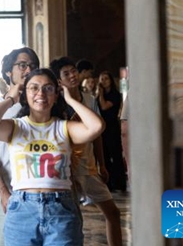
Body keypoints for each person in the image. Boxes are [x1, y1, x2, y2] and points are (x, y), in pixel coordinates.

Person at [0, 68, 104, 245]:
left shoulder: (64, 127)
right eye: (34, 88)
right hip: (22, 209)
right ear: (25, 95)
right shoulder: (16, 127)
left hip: (60, 209)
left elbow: (96, 126)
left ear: (56, 95)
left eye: (48, 88)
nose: (41, 93)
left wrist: (69, 99)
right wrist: (11, 98)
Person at [51, 57, 123, 246]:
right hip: (67, 168)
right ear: (59, 80)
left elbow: (97, 134)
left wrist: (102, 164)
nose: (72, 76)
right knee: (74, 220)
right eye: (66, 74)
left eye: (73, 71)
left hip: (88, 165)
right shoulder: (57, 104)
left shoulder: (89, 99)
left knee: (113, 212)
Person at [0, 47, 40, 246]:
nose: (28, 69)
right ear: (8, 72)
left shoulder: (42, 105)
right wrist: (3, 192)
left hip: (40, 195)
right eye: (22, 65)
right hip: (6, 195)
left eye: (32, 66)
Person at [97, 70, 127, 191]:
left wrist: (100, 94)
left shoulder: (114, 94)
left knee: (116, 156)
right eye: (101, 79)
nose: (103, 81)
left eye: (106, 79)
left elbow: (104, 106)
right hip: (102, 128)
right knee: (105, 156)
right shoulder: (99, 95)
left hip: (112, 128)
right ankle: (108, 183)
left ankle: (120, 183)